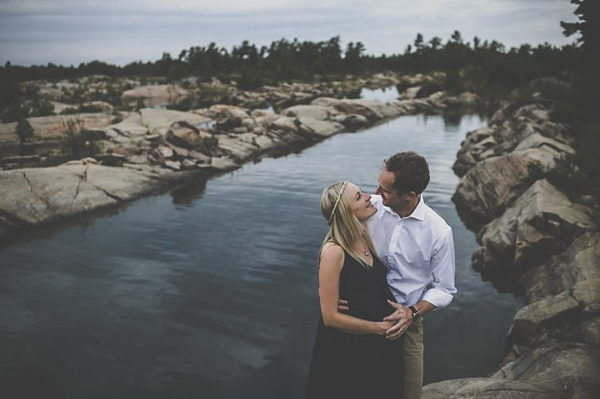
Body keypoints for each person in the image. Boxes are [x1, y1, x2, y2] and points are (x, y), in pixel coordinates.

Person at [359, 151, 457, 399]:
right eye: (378, 185)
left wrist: (412, 312)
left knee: (408, 392)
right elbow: (335, 241)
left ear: (410, 196)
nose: (376, 194)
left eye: (385, 190)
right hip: (360, 312)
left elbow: (445, 289)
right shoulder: (371, 207)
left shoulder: (439, 232)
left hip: (406, 322)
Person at [306, 181, 404, 399]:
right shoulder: (334, 251)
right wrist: (379, 328)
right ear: (346, 212)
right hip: (348, 350)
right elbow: (330, 317)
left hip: (377, 346)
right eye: (359, 196)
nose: (369, 196)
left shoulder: (365, 237)